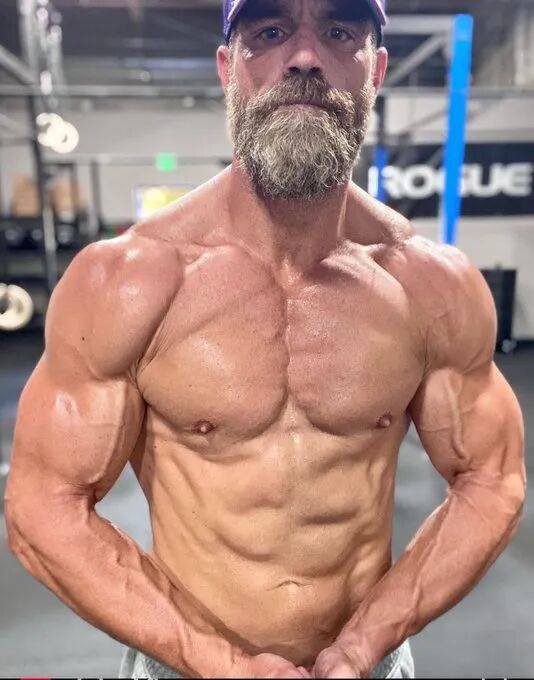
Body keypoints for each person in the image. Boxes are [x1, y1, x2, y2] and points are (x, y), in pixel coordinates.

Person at [4, 0, 526, 677]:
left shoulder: (430, 286)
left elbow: (492, 477)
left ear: (376, 71)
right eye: (270, 32)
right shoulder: (128, 280)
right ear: (228, 68)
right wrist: (218, 663)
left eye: (339, 32)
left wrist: (366, 642)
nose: (305, 57)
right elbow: (42, 503)